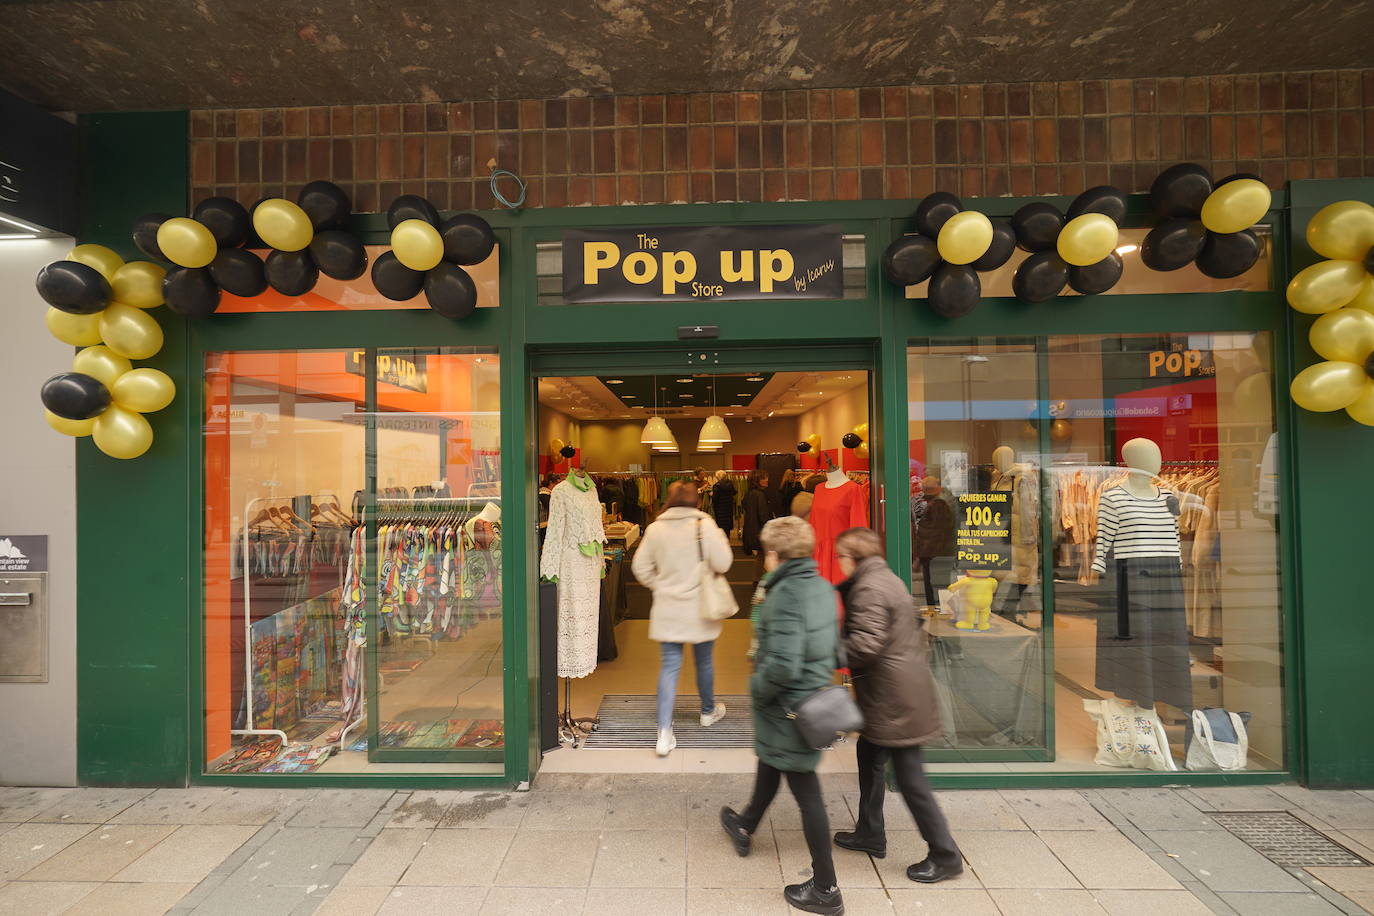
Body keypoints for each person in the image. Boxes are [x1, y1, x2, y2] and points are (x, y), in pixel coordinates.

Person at [720, 517, 845, 916]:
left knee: (807, 794)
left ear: (774, 554)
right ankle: (745, 823)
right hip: (808, 700)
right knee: (772, 763)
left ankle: (826, 888)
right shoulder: (822, 587)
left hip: (789, 706)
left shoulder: (784, 595)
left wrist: (757, 687)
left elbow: (785, 664)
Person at [831, 526, 963, 884]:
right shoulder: (884, 577)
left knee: (911, 779)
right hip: (894, 692)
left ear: (852, 557)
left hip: (896, 699)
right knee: (868, 755)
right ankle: (870, 832)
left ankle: (945, 854)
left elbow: (866, 644)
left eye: (840, 556)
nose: (838, 563)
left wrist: (824, 653)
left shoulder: (870, 587)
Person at [630, 480, 732, 757]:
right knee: (704, 661)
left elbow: (640, 567)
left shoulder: (655, 529)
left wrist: (659, 584)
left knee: (670, 667)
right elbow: (724, 563)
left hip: (668, 608)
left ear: (669, 500)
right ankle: (708, 711)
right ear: (697, 501)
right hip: (701, 607)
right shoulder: (705, 525)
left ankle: (664, 732)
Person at [914, 476, 955, 606]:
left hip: (934, 554)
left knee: (936, 586)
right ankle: (939, 609)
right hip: (937, 552)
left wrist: (920, 557)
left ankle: (939, 609)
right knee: (937, 586)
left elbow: (934, 533)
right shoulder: (940, 503)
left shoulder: (938, 505)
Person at [741, 469, 772, 557]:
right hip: (760, 533)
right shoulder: (760, 495)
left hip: (751, 532)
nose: (767, 479)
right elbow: (763, 517)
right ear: (757, 481)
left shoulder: (748, 493)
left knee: (759, 560)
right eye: (764, 478)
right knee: (763, 562)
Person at [711, 470, 738, 539]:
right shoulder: (730, 484)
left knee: (721, 528)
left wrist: (711, 495)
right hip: (728, 509)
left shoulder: (716, 486)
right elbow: (735, 492)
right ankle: (727, 540)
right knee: (727, 528)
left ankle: (721, 542)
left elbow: (715, 499)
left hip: (720, 510)